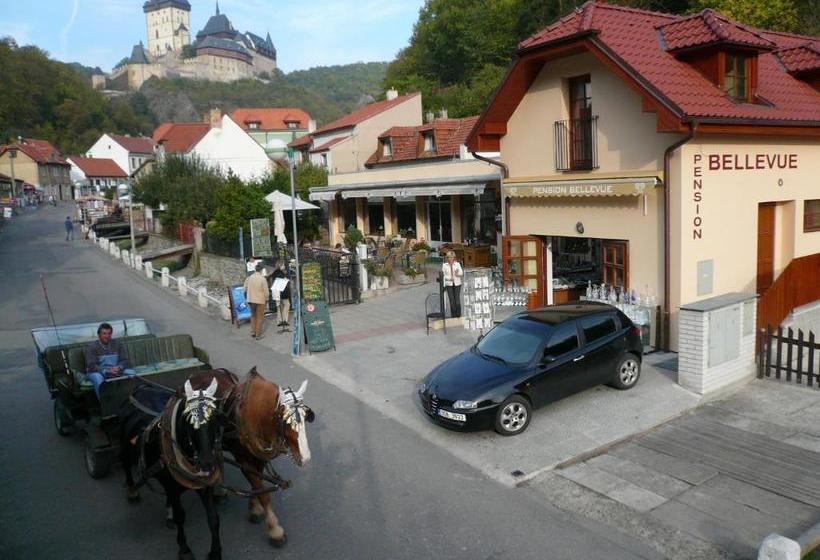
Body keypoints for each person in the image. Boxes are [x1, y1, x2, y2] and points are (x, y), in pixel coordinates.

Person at [85, 323, 136, 398]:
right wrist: (106, 371)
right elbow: (91, 366)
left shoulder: (118, 344)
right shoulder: (92, 347)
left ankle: (129, 398)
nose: (107, 336)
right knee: (97, 378)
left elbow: (125, 360)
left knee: (131, 373)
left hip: (115, 370)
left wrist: (119, 367)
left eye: (109, 333)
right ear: (99, 335)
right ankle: (105, 402)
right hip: (97, 372)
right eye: (104, 333)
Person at [244, 262, 270, 339]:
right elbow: (266, 292)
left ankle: (253, 332)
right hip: (260, 300)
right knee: (259, 317)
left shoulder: (249, 278)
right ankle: (258, 335)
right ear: (261, 270)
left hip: (251, 300)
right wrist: (267, 299)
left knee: (253, 316)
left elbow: (244, 289)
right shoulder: (263, 279)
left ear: (255, 270)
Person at [441, 250, 463, 318]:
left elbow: (461, 273)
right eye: (448, 257)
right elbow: (443, 275)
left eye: (451, 257)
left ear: (454, 257)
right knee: (452, 301)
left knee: (457, 301)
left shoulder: (457, 264)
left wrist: (457, 273)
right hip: (449, 284)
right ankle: (453, 316)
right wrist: (449, 278)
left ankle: (458, 315)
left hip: (457, 284)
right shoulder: (444, 265)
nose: (450, 259)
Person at [271, 260, 291, 328]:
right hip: (283, 293)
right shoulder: (281, 273)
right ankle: (284, 320)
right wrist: (286, 279)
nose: (284, 266)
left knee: (279, 307)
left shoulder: (274, 273)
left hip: (276, 293)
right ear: (280, 265)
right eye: (283, 265)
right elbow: (283, 283)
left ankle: (279, 321)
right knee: (287, 304)